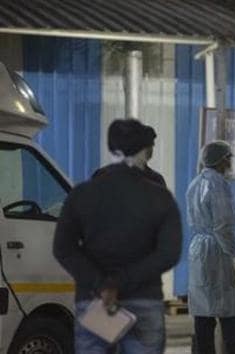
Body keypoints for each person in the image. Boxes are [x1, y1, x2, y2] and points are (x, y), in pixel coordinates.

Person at [53, 119, 183, 353]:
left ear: (111, 148)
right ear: (145, 149)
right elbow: (169, 253)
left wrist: (102, 285)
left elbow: (63, 248)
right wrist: (120, 282)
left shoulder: (83, 194)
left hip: (95, 302)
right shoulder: (160, 196)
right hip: (144, 298)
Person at [187, 141, 235, 354]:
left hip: (197, 249)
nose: (231, 162)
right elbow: (223, 226)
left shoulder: (195, 183)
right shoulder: (219, 184)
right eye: (229, 157)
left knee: (203, 315)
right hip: (217, 251)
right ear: (222, 160)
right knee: (230, 315)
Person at [93, 119, 167, 187]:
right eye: (146, 146)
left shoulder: (155, 179)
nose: (150, 150)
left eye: (151, 146)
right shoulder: (103, 176)